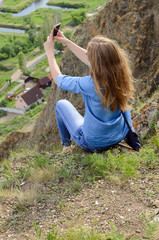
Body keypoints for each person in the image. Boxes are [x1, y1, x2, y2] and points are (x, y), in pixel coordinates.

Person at [44, 29, 134, 153]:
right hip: (118, 135)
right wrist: (68, 42)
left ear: (95, 61)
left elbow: (58, 80)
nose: (87, 56)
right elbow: (99, 60)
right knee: (124, 106)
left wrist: (49, 52)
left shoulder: (91, 84)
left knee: (61, 104)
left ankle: (66, 145)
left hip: (94, 143)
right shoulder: (120, 74)